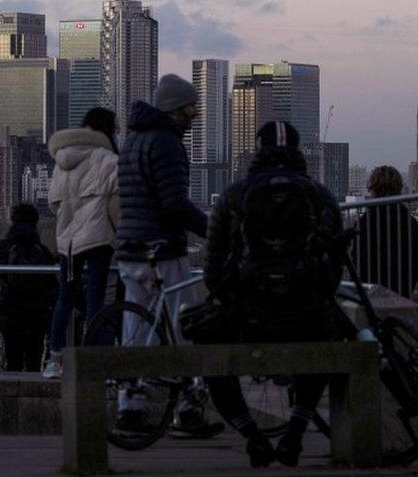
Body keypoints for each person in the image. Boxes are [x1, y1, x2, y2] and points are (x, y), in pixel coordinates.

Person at [202, 121, 343, 468]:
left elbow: (212, 272)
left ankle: (253, 435)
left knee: (207, 349)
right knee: (330, 336)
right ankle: (295, 430)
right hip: (307, 317)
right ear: (297, 152)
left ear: (257, 150)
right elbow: (333, 272)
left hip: (248, 319)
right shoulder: (319, 194)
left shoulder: (233, 196)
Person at [115, 74, 223, 438]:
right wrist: (213, 230)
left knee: (136, 329)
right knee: (184, 327)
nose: (195, 115)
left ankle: (130, 405)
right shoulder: (167, 144)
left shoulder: (133, 140)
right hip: (160, 249)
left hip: (130, 249)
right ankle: (188, 408)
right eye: (191, 107)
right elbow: (174, 203)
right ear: (177, 109)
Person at [42, 107, 120, 379]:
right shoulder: (109, 159)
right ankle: (91, 361)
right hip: (99, 238)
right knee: (96, 302)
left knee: (65, 298)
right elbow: (116, 208)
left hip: (68, 243)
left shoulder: (62, 161)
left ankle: (54, 359)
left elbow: (53, 203)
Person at [0, 203, 57, 373]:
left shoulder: (1, 248)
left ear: (13, 220)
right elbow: (52, 285)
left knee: (13, 360)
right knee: (34, 360)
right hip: (37, 313)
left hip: (9, 313)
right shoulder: (42, 251)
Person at [354, 166, 418, 298]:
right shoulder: (410, 223)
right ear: (399, 188)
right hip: (400, 293)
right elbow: (414, 266)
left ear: (373, 189)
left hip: (370, 295)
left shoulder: (365, 223)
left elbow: (357, 263)